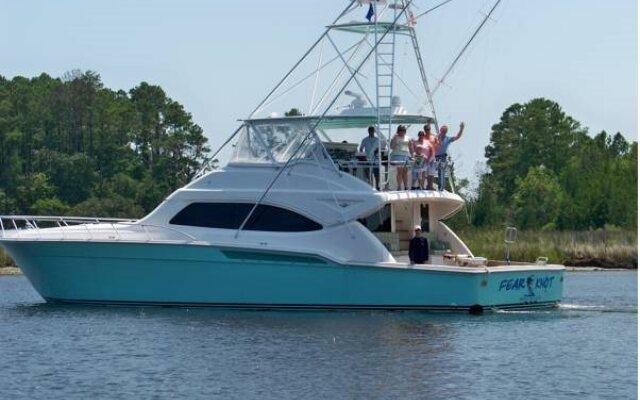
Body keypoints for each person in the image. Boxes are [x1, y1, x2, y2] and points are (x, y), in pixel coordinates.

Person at [436, 122, 465, 191]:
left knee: (442, 172)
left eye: (445, 131)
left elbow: (457, 137)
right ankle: (432, 187)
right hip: (435, 157)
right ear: (440, 130)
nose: (444, 132)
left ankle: (441, 188)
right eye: (443, 131)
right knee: (433, 173)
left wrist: (461, 128)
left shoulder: (448, 138)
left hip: (443, 157)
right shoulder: (435, 137)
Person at [389, 125, 412, 190]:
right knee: (400, 171)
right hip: (398, 155)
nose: (402, 132)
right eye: (400, 130)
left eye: (403, 130)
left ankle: (406, 186)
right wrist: (395, 139)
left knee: (405, 171)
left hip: (406, 156)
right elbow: (392, 147)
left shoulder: (408, 138)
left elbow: (410, 148)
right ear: (398, 131)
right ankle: (399, 186)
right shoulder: (395, 137)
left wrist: (412, 156)